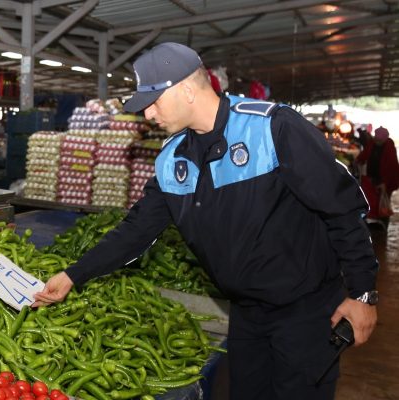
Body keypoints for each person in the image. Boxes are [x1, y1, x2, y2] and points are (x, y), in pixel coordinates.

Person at [33, 42, 378, 400]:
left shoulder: (271, 129)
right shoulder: (172, 160)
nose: (148, 115)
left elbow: (343, 207)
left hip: (305, 312)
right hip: (246, 314)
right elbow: (136, 231)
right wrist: (74, 274)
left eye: (154, 102)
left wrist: (363, 291)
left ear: (185, 88)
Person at [356, 126, 399, 228]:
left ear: (384, 139)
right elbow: (365, 153)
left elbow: (391, 168)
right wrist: (358, 160)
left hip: (386, 179)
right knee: (373, 199)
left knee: (383, 201)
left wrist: (385, 183)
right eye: (376, 139)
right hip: (373, 176)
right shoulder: (372, 143)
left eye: (379, 140)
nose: (377, 141)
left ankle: (383, 223)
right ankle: (373, 220)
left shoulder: (389, 147)